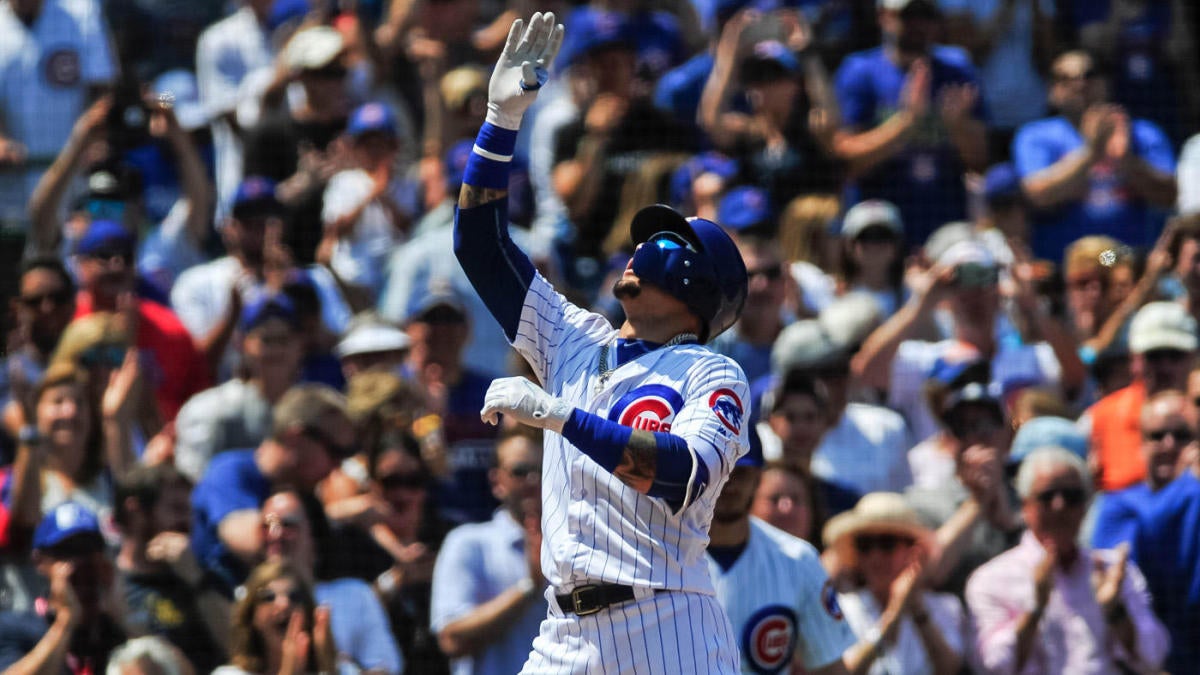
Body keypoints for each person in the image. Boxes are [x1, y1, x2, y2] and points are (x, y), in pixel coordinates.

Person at [457, 12, 749, 672]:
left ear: (699, 285)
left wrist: (560, 415)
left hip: (666, 622)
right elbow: (479, 245)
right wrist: (500, 120)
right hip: (563, 632)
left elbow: (680, 471)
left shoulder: (710, 373)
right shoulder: (573, 337)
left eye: (665, 239)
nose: (642, 243)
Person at [965, 447, 1169, 673]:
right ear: (1026, 505)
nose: (1059, 506)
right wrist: (1035, 608)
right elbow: (993, 666)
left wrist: (1115, 611)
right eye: (1047, 496)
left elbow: (1154, 656)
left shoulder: (1112, 571)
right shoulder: (991, 579)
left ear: (1084, 507)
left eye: (1071, 497)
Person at [831, 0, 988, 248]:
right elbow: (847, 161)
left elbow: (980, 162)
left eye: (927, 15)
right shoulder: (860, 70)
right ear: (883, 16)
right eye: (908, 15)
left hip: (945, 227)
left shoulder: (957, 69)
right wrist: (906, 123)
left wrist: (958, 126)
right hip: (878, 235)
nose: (919, 25)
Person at [706, 436, 855, 674]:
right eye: (720, 470)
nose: (729, 483)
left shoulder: (798, 558)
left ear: (758, 478)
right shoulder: (662, 552)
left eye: (739, 473)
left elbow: (830, 667)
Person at [1013, 50, 1177, 261]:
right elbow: (1038, 195)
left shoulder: (1143, 133)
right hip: (1065, 267)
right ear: (1051, 90)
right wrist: (1092, 152)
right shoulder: (1034, 136)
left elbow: (1168, 196)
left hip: (1129, 261)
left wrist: (1124, 158)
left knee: (1114, 263)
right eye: (1065, 79)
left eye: (1089, 75)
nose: (1080, 84)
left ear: (1105, 83)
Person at [190, 384, 354, 594]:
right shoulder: (228, 472)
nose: (338, 466)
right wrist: (343, 516)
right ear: (297, 439)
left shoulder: (303, 492)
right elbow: (250, 540)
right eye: (334, 451)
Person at [430, 428, 547, 675]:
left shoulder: (571, 545)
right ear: (496, 481)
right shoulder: (467, 542)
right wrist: (529, 588)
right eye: (520, 471)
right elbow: (450, 638)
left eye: (542, 470)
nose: (533, 480)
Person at [260, 490, 405, 674]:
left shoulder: (354, 595)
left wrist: (336, 667)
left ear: (314, 533)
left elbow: (386, 669)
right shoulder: (248, 598)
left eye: (288, 525)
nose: (274, 534)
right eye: (266, 526)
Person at [823, 493, 967, 675]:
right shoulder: (842, 609)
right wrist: (893, 615)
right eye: (865, 544)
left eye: (887, 543)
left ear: (913, 551)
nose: (875, 556)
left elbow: (949, 669)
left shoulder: (945, 606)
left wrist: (917, 609)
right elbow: (842, 672)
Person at [173, 294, 304, 483]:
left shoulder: (312, 406)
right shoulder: (209, 407)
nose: (276, 350)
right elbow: (193, 482)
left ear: (301, 345)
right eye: (266, 340)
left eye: (283, 340)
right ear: (241, 343)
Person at [113, 464, 228, 673]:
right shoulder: (109, 580)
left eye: (189, 512)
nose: (186, 523)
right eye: (176, 509)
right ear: (135, 511)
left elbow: (235, 646)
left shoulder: (204, 577)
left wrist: (196, 580)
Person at [0, 502, 126, 673]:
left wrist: (119, 614)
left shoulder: (111, 630)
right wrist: (65, 620)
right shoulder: (15, 626)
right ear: (40, 562)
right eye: (67, 551)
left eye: (89, 550)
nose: (80, 563)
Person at [1086, 301, 1196, 492]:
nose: (1165, 366)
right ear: (1134, 358)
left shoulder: (1196, 412)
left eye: (1175, 355)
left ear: (1194, 357)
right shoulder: (1100, 418)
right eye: (1154, 355)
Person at [1092, 390, 1192, 552]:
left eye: (1181, 435)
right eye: (1157, 436)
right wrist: (1184, 482)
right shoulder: (1118, 505)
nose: (1169, 445)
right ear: (1142, 444)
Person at [213, 559, 337, 675]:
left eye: (294, 597)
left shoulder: (342, 669)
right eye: (269, 597)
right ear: (251, 614)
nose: (284, 604)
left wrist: (327, 664)